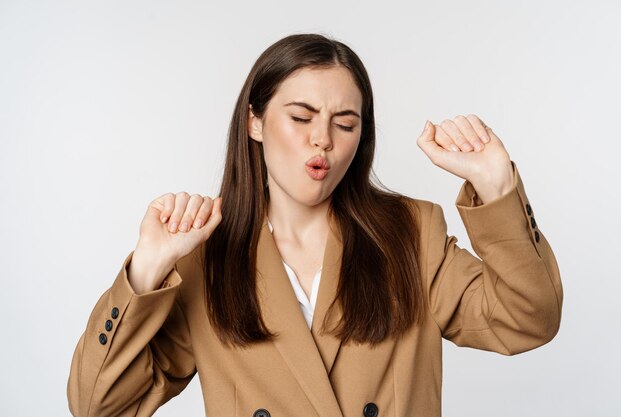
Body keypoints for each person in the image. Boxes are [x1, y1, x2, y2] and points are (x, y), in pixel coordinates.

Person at [67, 33, 563, 417]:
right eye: (301, 117)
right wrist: (146, 271)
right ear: (254, 123)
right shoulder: (207, 260)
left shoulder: (411, 234)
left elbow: (528, 320)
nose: (322, 140)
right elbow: (98, 405)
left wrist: (497, 188)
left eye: (345, 123)